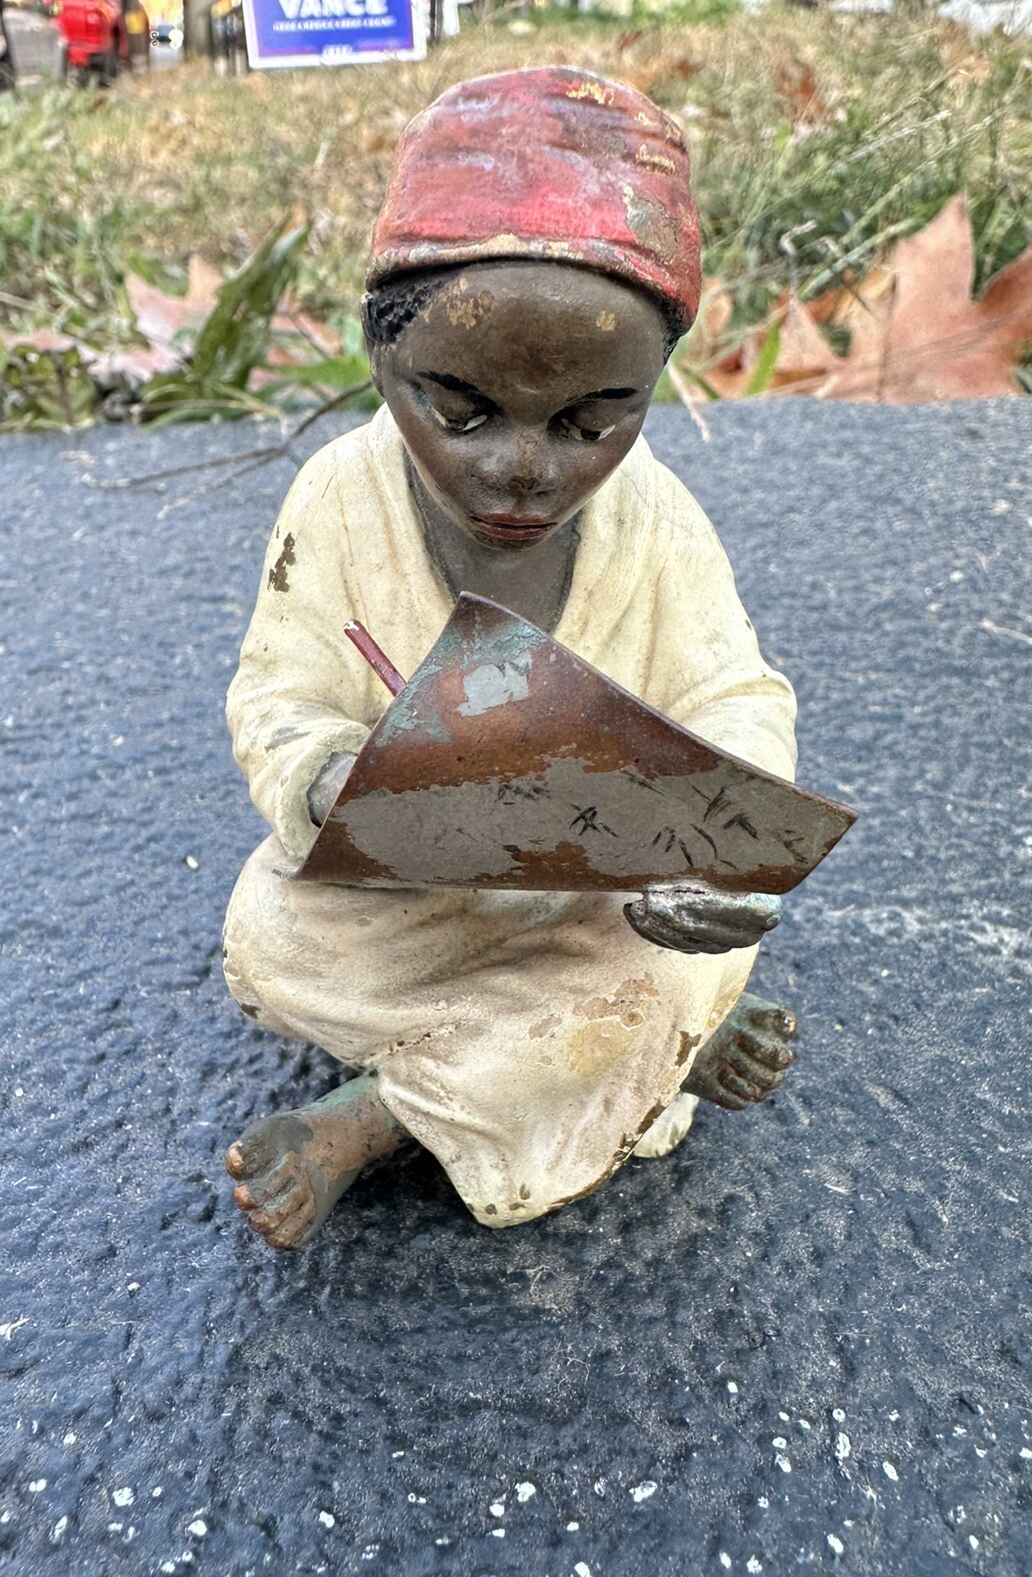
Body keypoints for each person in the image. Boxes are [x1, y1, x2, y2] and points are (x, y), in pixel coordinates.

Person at [222, 66, 801, 1250]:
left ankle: (372, 1122)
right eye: (461, 410)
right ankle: (649, 1054)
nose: (525, 467)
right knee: (265, 937)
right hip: (416, 893)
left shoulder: (656, 519)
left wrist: (722, 850)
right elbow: (277, 691)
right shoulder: (336, 498)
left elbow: (733, 693)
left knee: (671, 969)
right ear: (378, 354)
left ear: (649, 389)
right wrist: (327, 777)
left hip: (601, 904)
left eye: (590, 422)